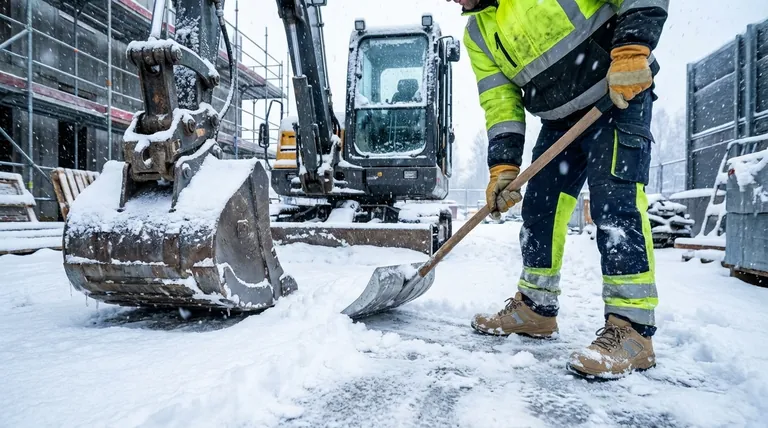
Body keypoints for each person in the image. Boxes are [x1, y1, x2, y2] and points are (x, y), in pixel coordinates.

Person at [448, 0, 668, 379]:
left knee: (614, 205)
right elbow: (500, 101)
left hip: (615, 95)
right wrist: (503, 167)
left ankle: (632, 331)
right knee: (540, 210)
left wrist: (632, 50)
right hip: (558, 122)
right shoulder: (478, 33)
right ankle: (536, 310)